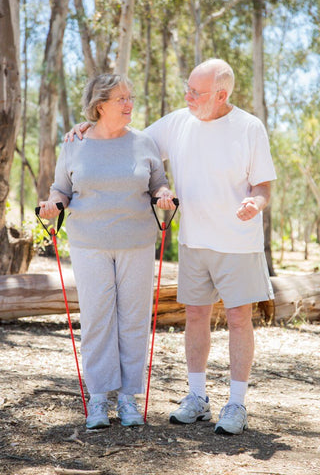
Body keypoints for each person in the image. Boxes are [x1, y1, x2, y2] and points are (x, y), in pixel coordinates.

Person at [66, 58, 277, 435]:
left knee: (239, 319)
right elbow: (124, 141)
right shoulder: (179, 121)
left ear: (221, 94)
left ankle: (236, 403)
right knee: (195, 317)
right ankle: (197, 398)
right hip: (193, 242)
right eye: (188, 88)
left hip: (238, 244)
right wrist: (87, 126)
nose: (188, 96)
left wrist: (255, 204)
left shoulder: (249, 127)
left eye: (196, 92)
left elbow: (263, 187)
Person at [39, 73, 175, 430]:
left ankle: (129, 397)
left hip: (137, 243)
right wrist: (53, 204)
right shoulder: (74, 144)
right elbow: (60, 189)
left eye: (130, 97)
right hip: (89, 244)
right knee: (98, 319)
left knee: (133, 319)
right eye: (121, 99)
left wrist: (163, 194)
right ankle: (98, 398)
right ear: (100, 106)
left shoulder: (144, 142)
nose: (129, 104)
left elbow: (158, 182)